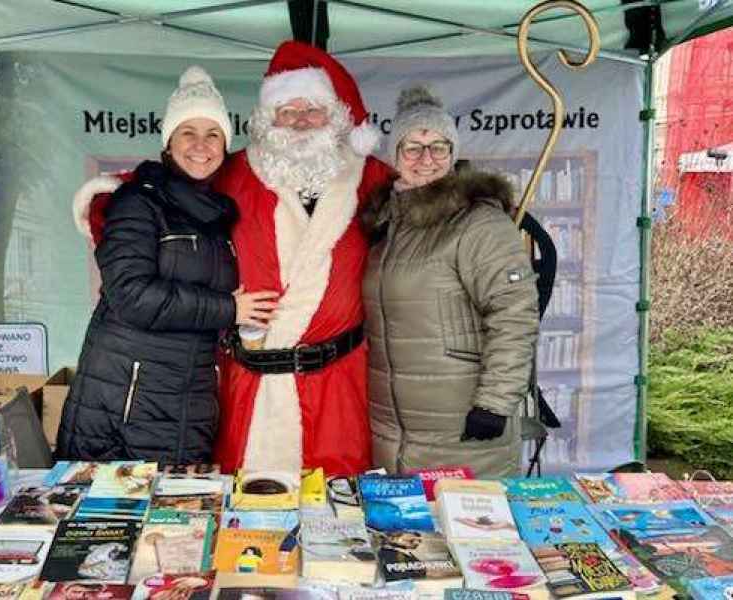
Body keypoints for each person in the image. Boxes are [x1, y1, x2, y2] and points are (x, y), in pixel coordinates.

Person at [73, 41, 393, 476]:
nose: (300, 121)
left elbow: (427, 200)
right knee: (249, 516)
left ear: (335, 117)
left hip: (339, 386)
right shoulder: (235, 171)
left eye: (312, 110)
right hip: (253, 385)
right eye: (287, 110)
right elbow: (170, 182)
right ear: (269, 120)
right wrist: (110, 193)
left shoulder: (369, 176)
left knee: (338, 512)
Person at [55, 67, 279, 465]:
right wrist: (228, 308)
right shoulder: (137, 202)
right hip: (124, 401)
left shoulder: (219, 215)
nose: (200, 145)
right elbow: (131, 295)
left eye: (213, 134)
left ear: (225, 144)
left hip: (188, 400)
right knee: (114, 519)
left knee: (177, 521)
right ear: (168, 142)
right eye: (187, 133)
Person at [360, 84, 539, 478]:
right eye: (413, 147)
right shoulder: (386, 226)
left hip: (462, 428)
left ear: (453, 153)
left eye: (438, 146)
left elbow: (514, 314)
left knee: (471, 532)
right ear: (396, 157)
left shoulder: (478, 222)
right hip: (394, 432)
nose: (426, 159)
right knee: (407, 539)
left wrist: (494, 402)